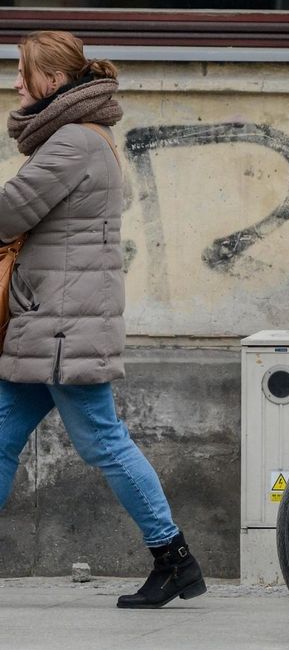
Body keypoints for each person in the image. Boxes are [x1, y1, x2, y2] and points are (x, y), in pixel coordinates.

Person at [0, 31, 206, 609]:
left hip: (65, 328)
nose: (17, 84)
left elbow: (10, 211)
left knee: (104, 443)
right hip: (49, 322)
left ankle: (174, 560)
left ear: (55, 81)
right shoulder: (81, 137)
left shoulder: (73, 143)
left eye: (24, 73)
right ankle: (176, 562)